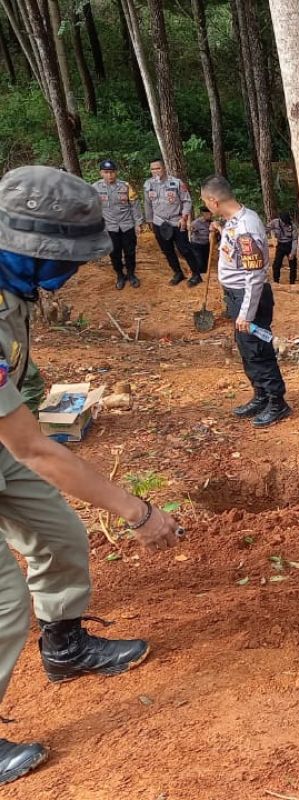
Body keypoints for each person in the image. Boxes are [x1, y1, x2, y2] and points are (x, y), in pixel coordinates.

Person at [0, 166, 181, 786]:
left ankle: (65, 647)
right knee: (3, 602)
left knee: (58, 538)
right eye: (64, 259)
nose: (71, 272)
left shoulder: (10, 291)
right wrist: (139, 512)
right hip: (11, 443)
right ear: (29, 248)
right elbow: (34, 450)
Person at [200, 175, 291, 427]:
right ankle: (261, 395)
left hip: (250, 298)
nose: (206, 207)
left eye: (205, 202)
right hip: (236, 296)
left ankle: (277, 402)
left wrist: (246, 313)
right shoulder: (233, 221)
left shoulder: (246, 227)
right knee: (247, 349)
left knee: (259, 349)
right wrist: (219, 230)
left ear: (213, 201)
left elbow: (255, 275)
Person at [143, 157, 202, 286]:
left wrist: (184, 218)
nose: (155, 171)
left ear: (164, 168)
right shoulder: (148, 185)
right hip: (159, 223)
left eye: (158, 168)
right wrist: (149, 221)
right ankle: (178, 273)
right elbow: (147, 204)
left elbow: (187, 201)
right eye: (152, 169)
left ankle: (196, 274)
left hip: (176, 222)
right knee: (167, 250)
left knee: (184, 249)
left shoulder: (176, 183)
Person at [92, 159, 143, 290]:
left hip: (127, 226)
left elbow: (135, 206)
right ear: (101, 173)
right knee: (114, 253)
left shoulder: (125, 186)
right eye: (106, 172)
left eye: (112, 172)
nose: (110, 175)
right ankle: (120, 275)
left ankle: (131, 274)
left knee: (130, 252)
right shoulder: (95, 188)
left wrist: (138, 223)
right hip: (109, 228)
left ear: (116, 172)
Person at [268, 211, 299, 285]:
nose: (285, 223)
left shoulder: (292, 226)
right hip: (280, 245)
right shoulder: (275, 222)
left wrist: (292, 252)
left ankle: (292, 282)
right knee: (276, 264)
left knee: (293, 265)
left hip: (289, 245)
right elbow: (266, 228)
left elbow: (295, 240)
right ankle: (276, 281)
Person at [189, 206, 213, 274]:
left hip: (206, 245)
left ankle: (203, 274)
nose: (211, 215)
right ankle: (197, 274)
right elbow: (191, 230)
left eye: (211, 214)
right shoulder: (196, 223)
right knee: (199, 261)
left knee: (205, 261)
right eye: (209, 214)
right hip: (197, 244)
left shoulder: (211, 222)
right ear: (204, 214)